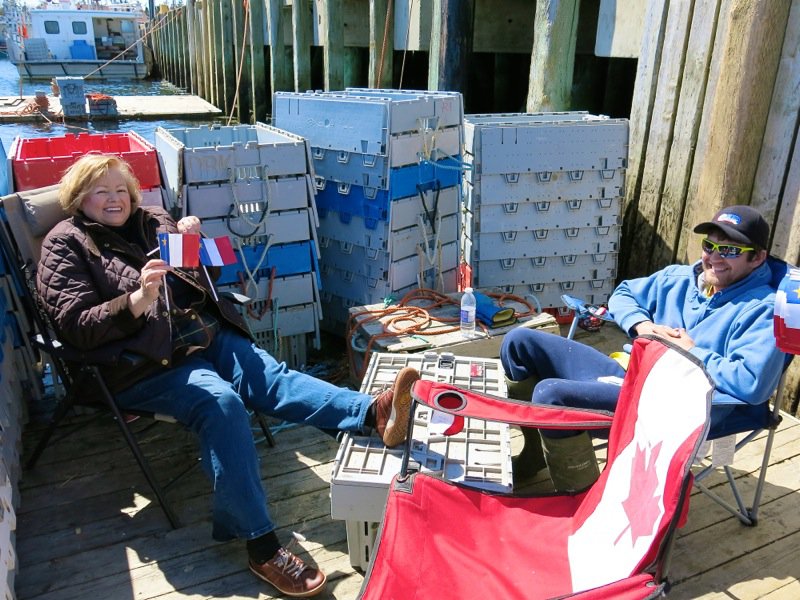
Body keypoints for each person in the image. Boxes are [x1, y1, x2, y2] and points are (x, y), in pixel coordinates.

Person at [36, 154, 421, 598]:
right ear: (80, 196)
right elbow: (75, 326)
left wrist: (195, 247)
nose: (114, 199)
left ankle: (373, 411)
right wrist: (137, 301)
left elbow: (208, 276)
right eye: (102, 191)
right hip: (143, 360)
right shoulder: (65, 244)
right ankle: (261, 545)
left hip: (202, 332)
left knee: (270, 377)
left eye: (121, 189)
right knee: (221, 403)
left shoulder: (153, 220)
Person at [500, 205, 786, 492]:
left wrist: (691, 352)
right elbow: (623, 293)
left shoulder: (765, 312)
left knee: (551, 395)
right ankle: (536, 452)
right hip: (632, 373)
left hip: (674, 407)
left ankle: (583, 500)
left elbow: (752, 384)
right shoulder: (680, 279)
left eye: (730, 250)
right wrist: (644, 326)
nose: (714, 257)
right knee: (518, 342)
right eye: (709, 245)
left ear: (758, 258)